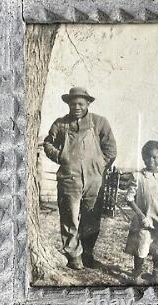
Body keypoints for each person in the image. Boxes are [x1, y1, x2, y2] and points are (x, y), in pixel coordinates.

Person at [43, 87, 117, 270]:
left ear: (88, 104)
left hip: (94, 179)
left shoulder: (100, 123)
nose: (76, 107)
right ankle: (73, 255)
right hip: (69, 178)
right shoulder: (61, 124)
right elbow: (47, 143)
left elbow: (111, 149)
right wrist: (61, 156)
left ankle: (88, 254)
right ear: (68, 104)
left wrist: (99, 165)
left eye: (80, 103)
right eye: (73, 103)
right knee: (70, 217)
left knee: (91, 218)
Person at [125, 140, 158, 283]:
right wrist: (141, 216)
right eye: (148, 157)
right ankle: (136, 275)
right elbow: (129, 199)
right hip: (144, 220)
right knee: (141, 246)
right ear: (143, 157)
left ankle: (156, 275)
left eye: (155, 157)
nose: (151, 160)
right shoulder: (138, 177)